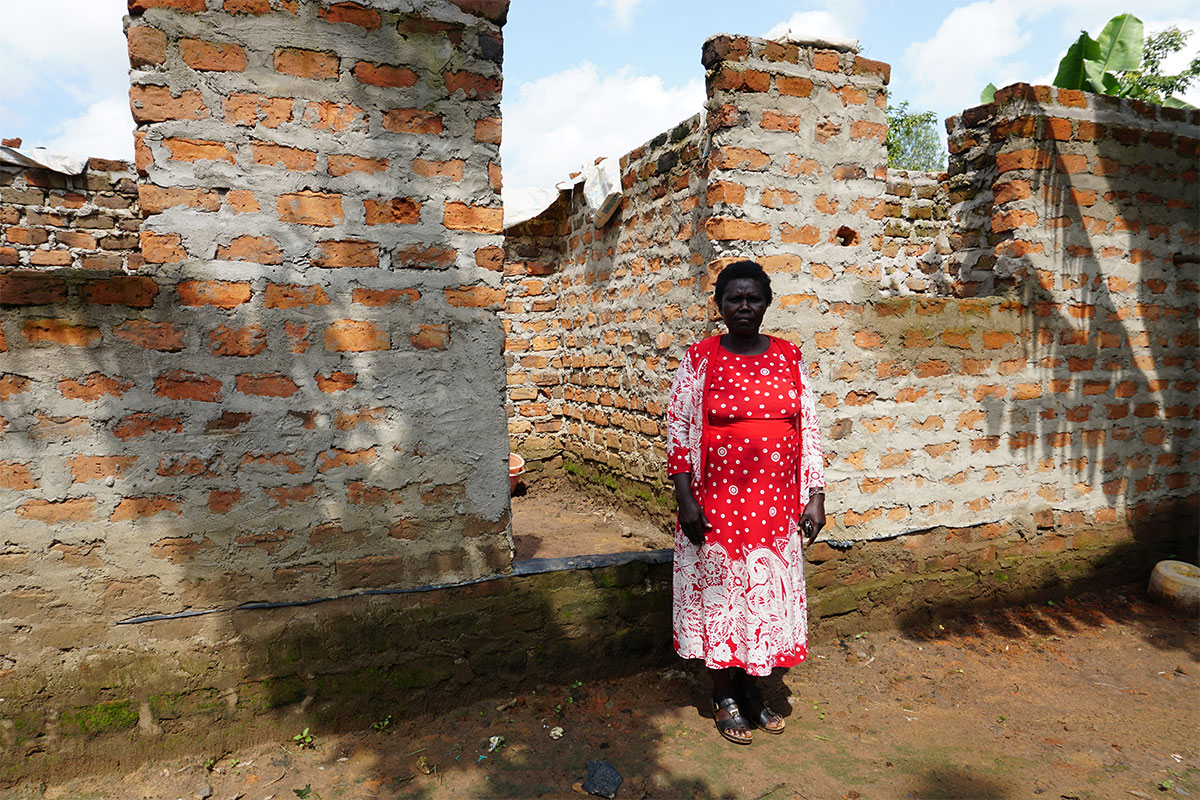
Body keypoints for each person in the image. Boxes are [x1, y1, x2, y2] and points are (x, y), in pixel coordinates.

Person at [666, 259, 826, 745]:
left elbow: (810, 427)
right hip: (715, 502)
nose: (744, 307)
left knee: (763, 595)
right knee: (718, 593)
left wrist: (814, 494)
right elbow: (676, 426)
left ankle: (752, 686)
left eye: (753, 299)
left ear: (766, 304)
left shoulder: (789, 356)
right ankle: (723, 693)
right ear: (718, 305)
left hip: (774, 504)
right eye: (733, 298)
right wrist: (686, 498)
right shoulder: (700, 358)